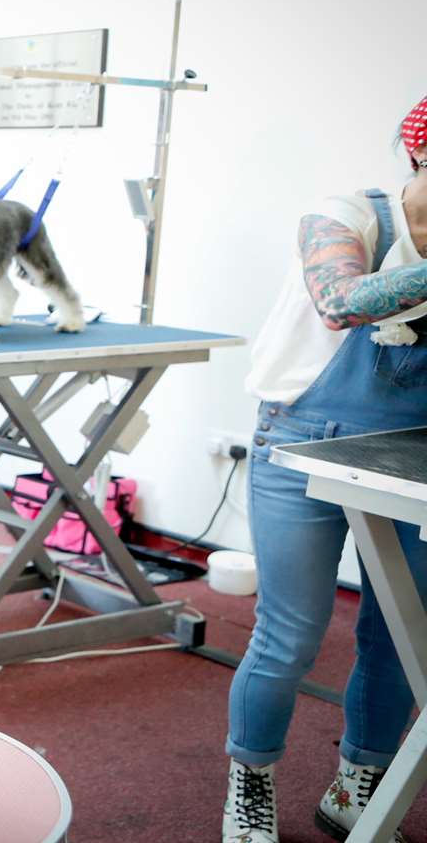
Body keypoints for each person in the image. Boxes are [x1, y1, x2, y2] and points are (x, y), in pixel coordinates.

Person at [220, 95, 427, 843]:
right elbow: (340, 302)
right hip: (299, 439)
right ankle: (250, 784)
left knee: (400, 635)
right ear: (420, 154)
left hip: (409, 455)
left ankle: (358, 786)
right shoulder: (349, 213)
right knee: (290, 634)